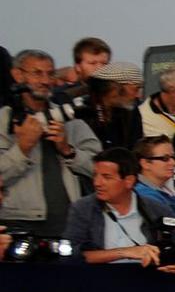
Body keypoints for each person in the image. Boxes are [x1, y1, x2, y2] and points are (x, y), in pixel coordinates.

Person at [1, 48, 101, 238]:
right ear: (17, 75)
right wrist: (22, 148)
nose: (45, 81)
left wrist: (68, 150)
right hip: (17, 222)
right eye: (37, 73)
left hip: (68, 221)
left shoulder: (70, 119)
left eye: (50, 73)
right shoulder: (3, 121)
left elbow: (100, 168)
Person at [65, 148, 175, 269]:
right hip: (97, 283)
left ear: (129, 181)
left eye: (106, 177)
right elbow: (70, 254)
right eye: (95, 175)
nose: (97, 183)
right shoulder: (83, 208)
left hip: (147, 283)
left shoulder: (157, 209)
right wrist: (123, 252)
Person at [74, 58, 143, 151]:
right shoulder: (82, 110)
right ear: (115, 89)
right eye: (135, 89)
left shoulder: (130, 112)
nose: (138, 95)